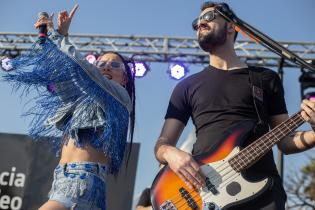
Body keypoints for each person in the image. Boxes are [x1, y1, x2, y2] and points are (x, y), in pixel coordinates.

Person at [154, 2, 315, 210]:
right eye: (196, 22)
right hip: (205, 192)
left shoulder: (265, 79)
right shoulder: (186, 86)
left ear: (231, 27)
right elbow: (162, 143)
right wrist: (170, 153)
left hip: (263, 193)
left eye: (209, 16)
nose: (200, 23)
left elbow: (285, 141)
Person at [4, 4, 135, 210]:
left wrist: (59, 38)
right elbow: (60, 73)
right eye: (102, 63)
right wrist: (49, 36)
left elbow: (85, 70)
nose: (107, 66)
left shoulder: (121, 98)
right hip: (63, 182)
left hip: (81, 183)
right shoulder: (80, 100)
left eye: (115, 65)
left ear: (125, 78)